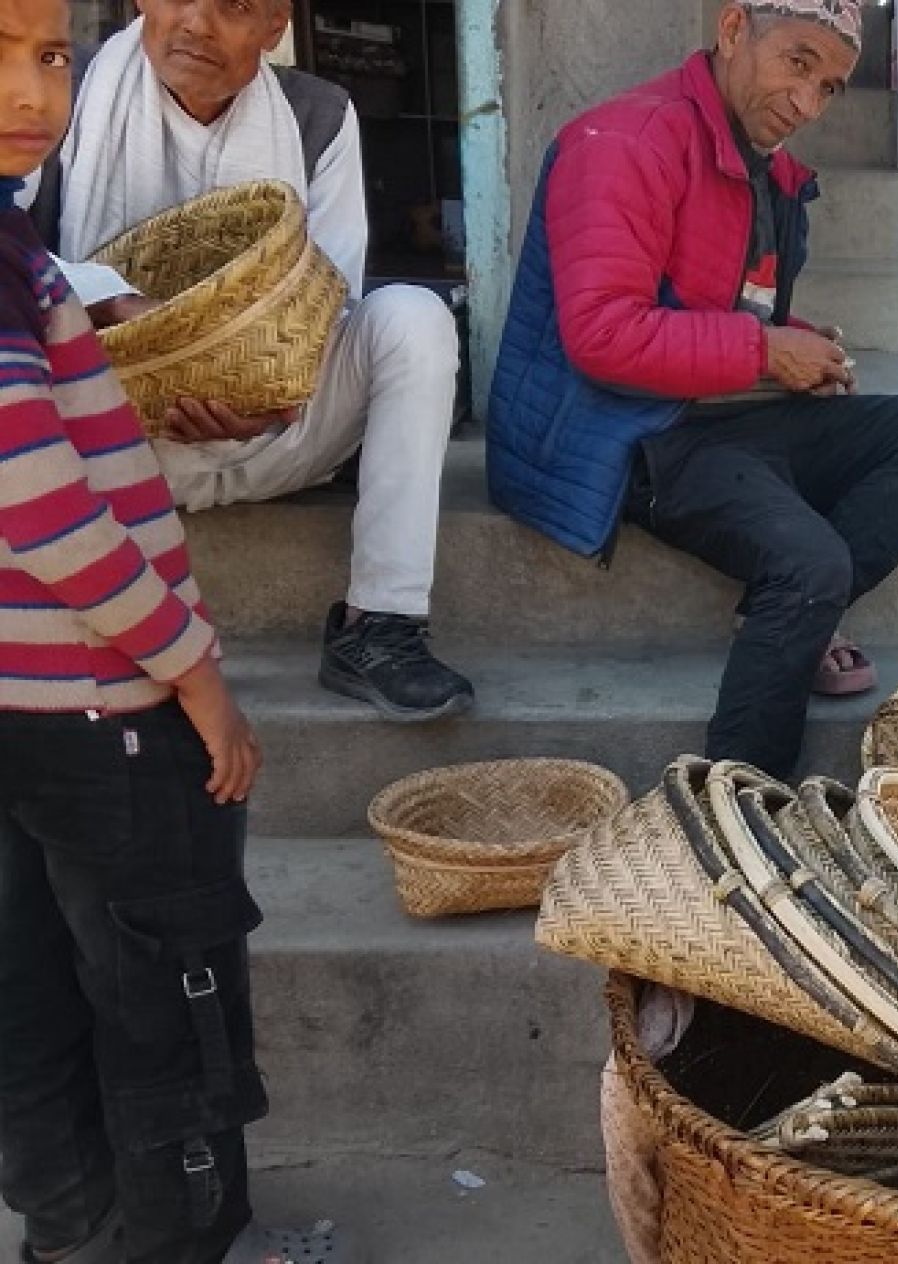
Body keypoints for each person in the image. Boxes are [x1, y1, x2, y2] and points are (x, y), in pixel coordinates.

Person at [0, 3, 350, 1259]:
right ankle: (189, 1243)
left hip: (24, 704)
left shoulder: (17, 243)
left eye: (46, 53)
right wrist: (195, 673)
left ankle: (73, 1237)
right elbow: (36, 496)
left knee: (33, 993)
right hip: (109, 708)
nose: (36, 90)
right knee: (169, 994)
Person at [489, 0, 898, 780]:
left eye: (828, 85)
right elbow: (602, 336)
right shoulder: (625, 141)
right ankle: (741, 810)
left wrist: (798, 343)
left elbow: (720, 304)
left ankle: (785, 616)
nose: (807, 102)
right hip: (623, 438)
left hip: (718, 415)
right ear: (731, 32)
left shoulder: (769, 170)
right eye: (797, 63)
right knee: (813, 563)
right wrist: (763, 349)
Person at [25, 0, 473, 722]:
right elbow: (9, 255)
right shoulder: (66, 91)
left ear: (274, 29)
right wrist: (113, 299)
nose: (198, 24)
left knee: (414, 321)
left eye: (234, 7)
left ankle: (380, 626)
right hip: (111, 445)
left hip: (274, 428)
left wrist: (268, 397)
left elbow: (328, 303)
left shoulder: (318, 115)